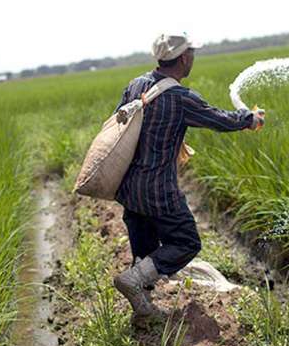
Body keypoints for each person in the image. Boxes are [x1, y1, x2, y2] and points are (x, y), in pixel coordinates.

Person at [112, 33, 265, 320]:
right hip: (158, 189)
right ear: (184, 58)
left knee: (146, 253)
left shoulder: (136, 85)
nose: (193, 56)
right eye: (191, 52)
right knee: (186, 242)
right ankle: (132, 282)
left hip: (130, 188)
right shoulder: (180, 97)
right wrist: (250, 119)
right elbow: (219, 119)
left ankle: (142, 310)